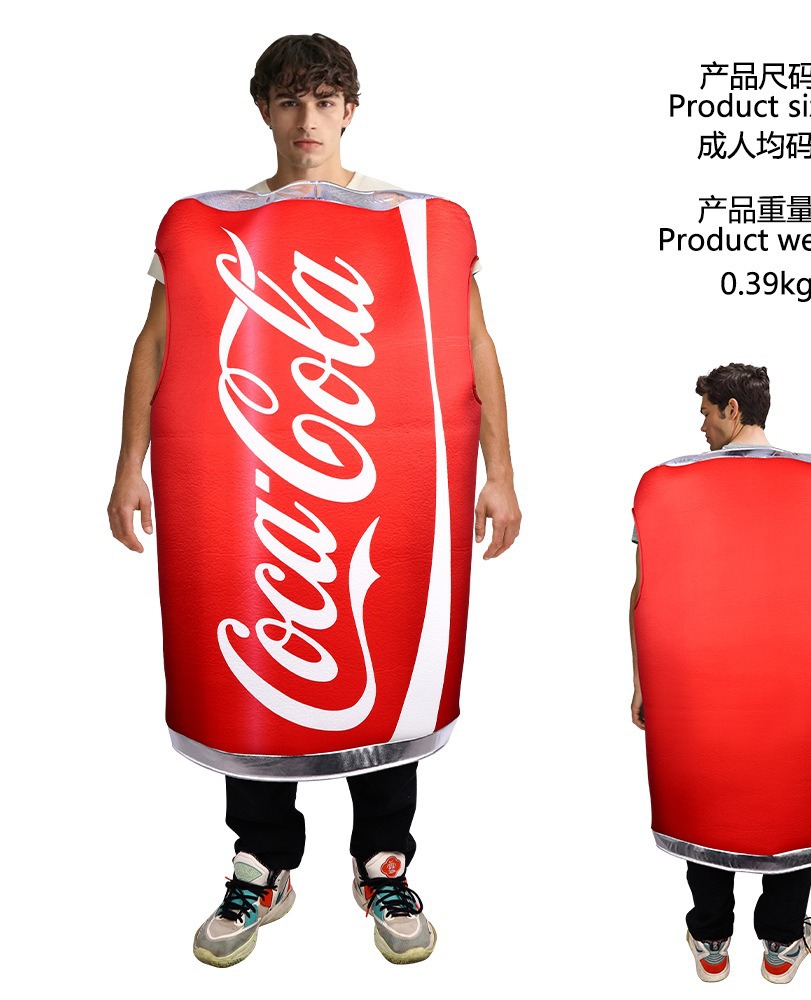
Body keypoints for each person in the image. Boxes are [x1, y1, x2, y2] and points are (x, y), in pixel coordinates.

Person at [107, 33, 521, 968]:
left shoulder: (416, 222)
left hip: (385, 481)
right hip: (255, 484)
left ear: (351, 110)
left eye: (326, 101)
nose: (309, 120)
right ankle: (262, 863)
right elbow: (156, 343)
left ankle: (384, 862)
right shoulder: (209, 225)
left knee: (388, 639)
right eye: (291, 101)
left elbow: (473, 346)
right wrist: (129, 463)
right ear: (264, 109)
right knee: (256, 645)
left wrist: (499, 471)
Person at [628, 363, 811, 984]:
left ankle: (711, 939)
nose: (701, 427)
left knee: (706, 793)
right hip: (804, 687)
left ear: (733, 410)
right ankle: (782, 942)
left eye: (706, 413)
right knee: (795, 797)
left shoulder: (663, 485)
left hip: (696, 687)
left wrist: (642, 683)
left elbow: (645, 594)